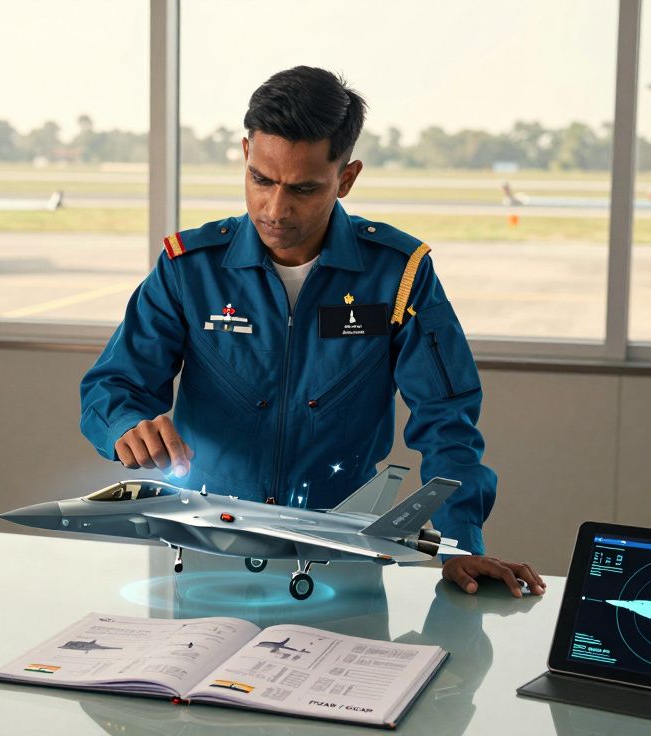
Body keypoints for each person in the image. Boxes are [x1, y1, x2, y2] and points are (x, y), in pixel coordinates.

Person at [80, 66, 544, 598]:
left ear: (345, 179)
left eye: (303, 188)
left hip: (340, 558)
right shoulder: (188, 268)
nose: (275, 209)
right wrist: (125, 423)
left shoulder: (399, 275)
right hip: (206, 555)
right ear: (245, 154)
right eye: (261, 180)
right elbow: (112, 386)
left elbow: (448, 421)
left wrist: (463, 544)